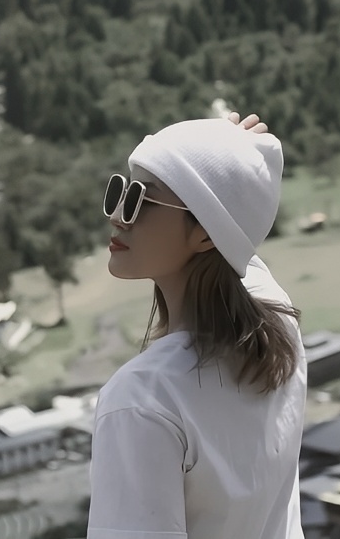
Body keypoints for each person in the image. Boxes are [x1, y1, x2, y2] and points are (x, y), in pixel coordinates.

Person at [87, 112, 306, 539]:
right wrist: (233, 163)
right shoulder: (280, 325)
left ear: (206, 233)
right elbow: (240, 230)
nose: (118, 215)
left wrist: (226, 163)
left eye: (140, 201)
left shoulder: (142, 400)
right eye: (121, 189)